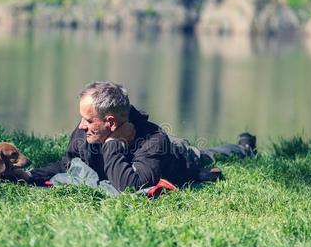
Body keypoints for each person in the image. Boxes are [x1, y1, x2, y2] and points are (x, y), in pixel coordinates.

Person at [22, 81, 256, 192]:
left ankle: (244, 148)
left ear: (111, 122)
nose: (81, 126)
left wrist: (113, 144)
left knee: (203, 154)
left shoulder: (155, 140)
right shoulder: (88, 131)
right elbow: (68, 163)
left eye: (89, 120)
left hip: (176, 155)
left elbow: (131, 188)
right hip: (145, 149)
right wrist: (28, 176)